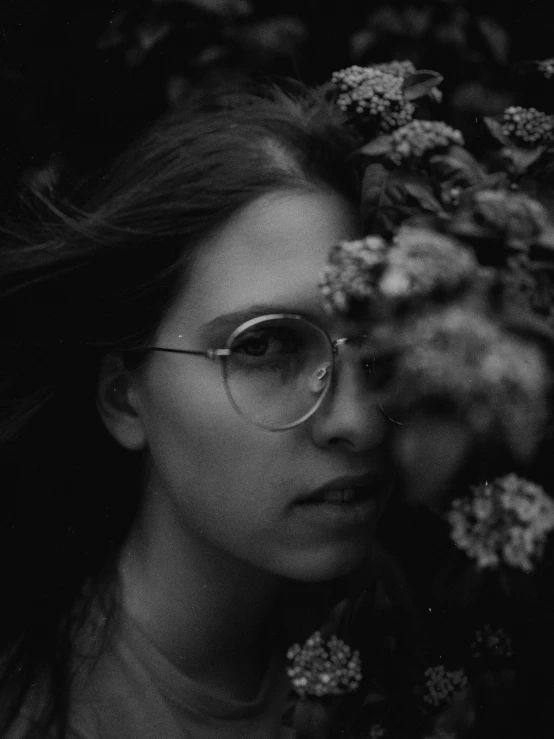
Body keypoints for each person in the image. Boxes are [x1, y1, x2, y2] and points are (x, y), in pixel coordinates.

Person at [0, 78, 396, 739]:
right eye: (265, 345)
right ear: (125, 397)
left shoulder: (409, 627)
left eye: (383, 343)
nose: (357, 422)